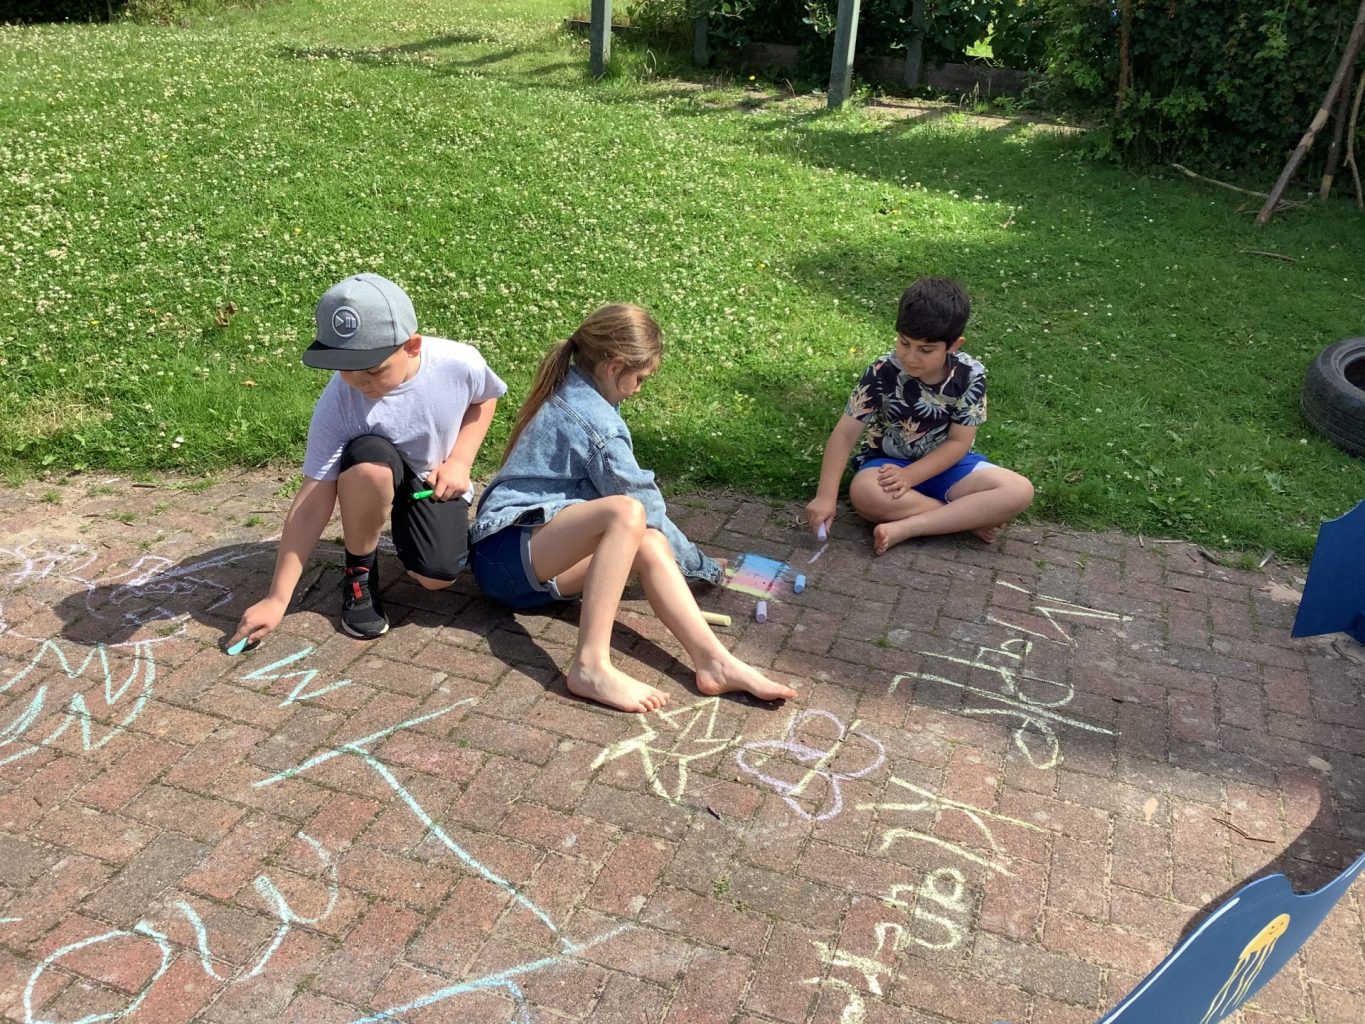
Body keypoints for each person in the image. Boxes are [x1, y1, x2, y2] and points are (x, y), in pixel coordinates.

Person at [470, 303, 797, 714]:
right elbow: (644, 505)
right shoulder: (595, 421)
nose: (639, 388)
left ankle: (714, 662)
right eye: (639, 378)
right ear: (614, 367)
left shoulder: (584, 391)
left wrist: (692, 563)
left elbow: (648, 528)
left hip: (532, 578)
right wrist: (702, 566)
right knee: (626, 513)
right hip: (501, 552)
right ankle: (590, 666)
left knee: (650, 543)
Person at [230, 273, 506, 646]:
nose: (360, 382)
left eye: (374, 369)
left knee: (437, 577)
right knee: (369, 466)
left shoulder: (459, 362)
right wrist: (277, 599)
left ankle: (403, 522)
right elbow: (313, 500)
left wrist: (460, 461)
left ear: (412, 346)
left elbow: (484, 399)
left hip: (430, 480)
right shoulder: (338, 402)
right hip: (374, 471)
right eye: (346, 368)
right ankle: (360, 569)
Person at [805, 276, 1034, 555]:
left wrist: (911, 476)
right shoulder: (881, 371)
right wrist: (825, 496)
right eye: (904, 343)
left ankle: (909, 527)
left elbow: (959, 443)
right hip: (888, 467)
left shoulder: (970, 375)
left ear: (954, 345)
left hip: (949, 466)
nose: (911, 357)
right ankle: (965, 518)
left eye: (926, 350)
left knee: (1019, 489)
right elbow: (845, 434)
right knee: (865, 493)